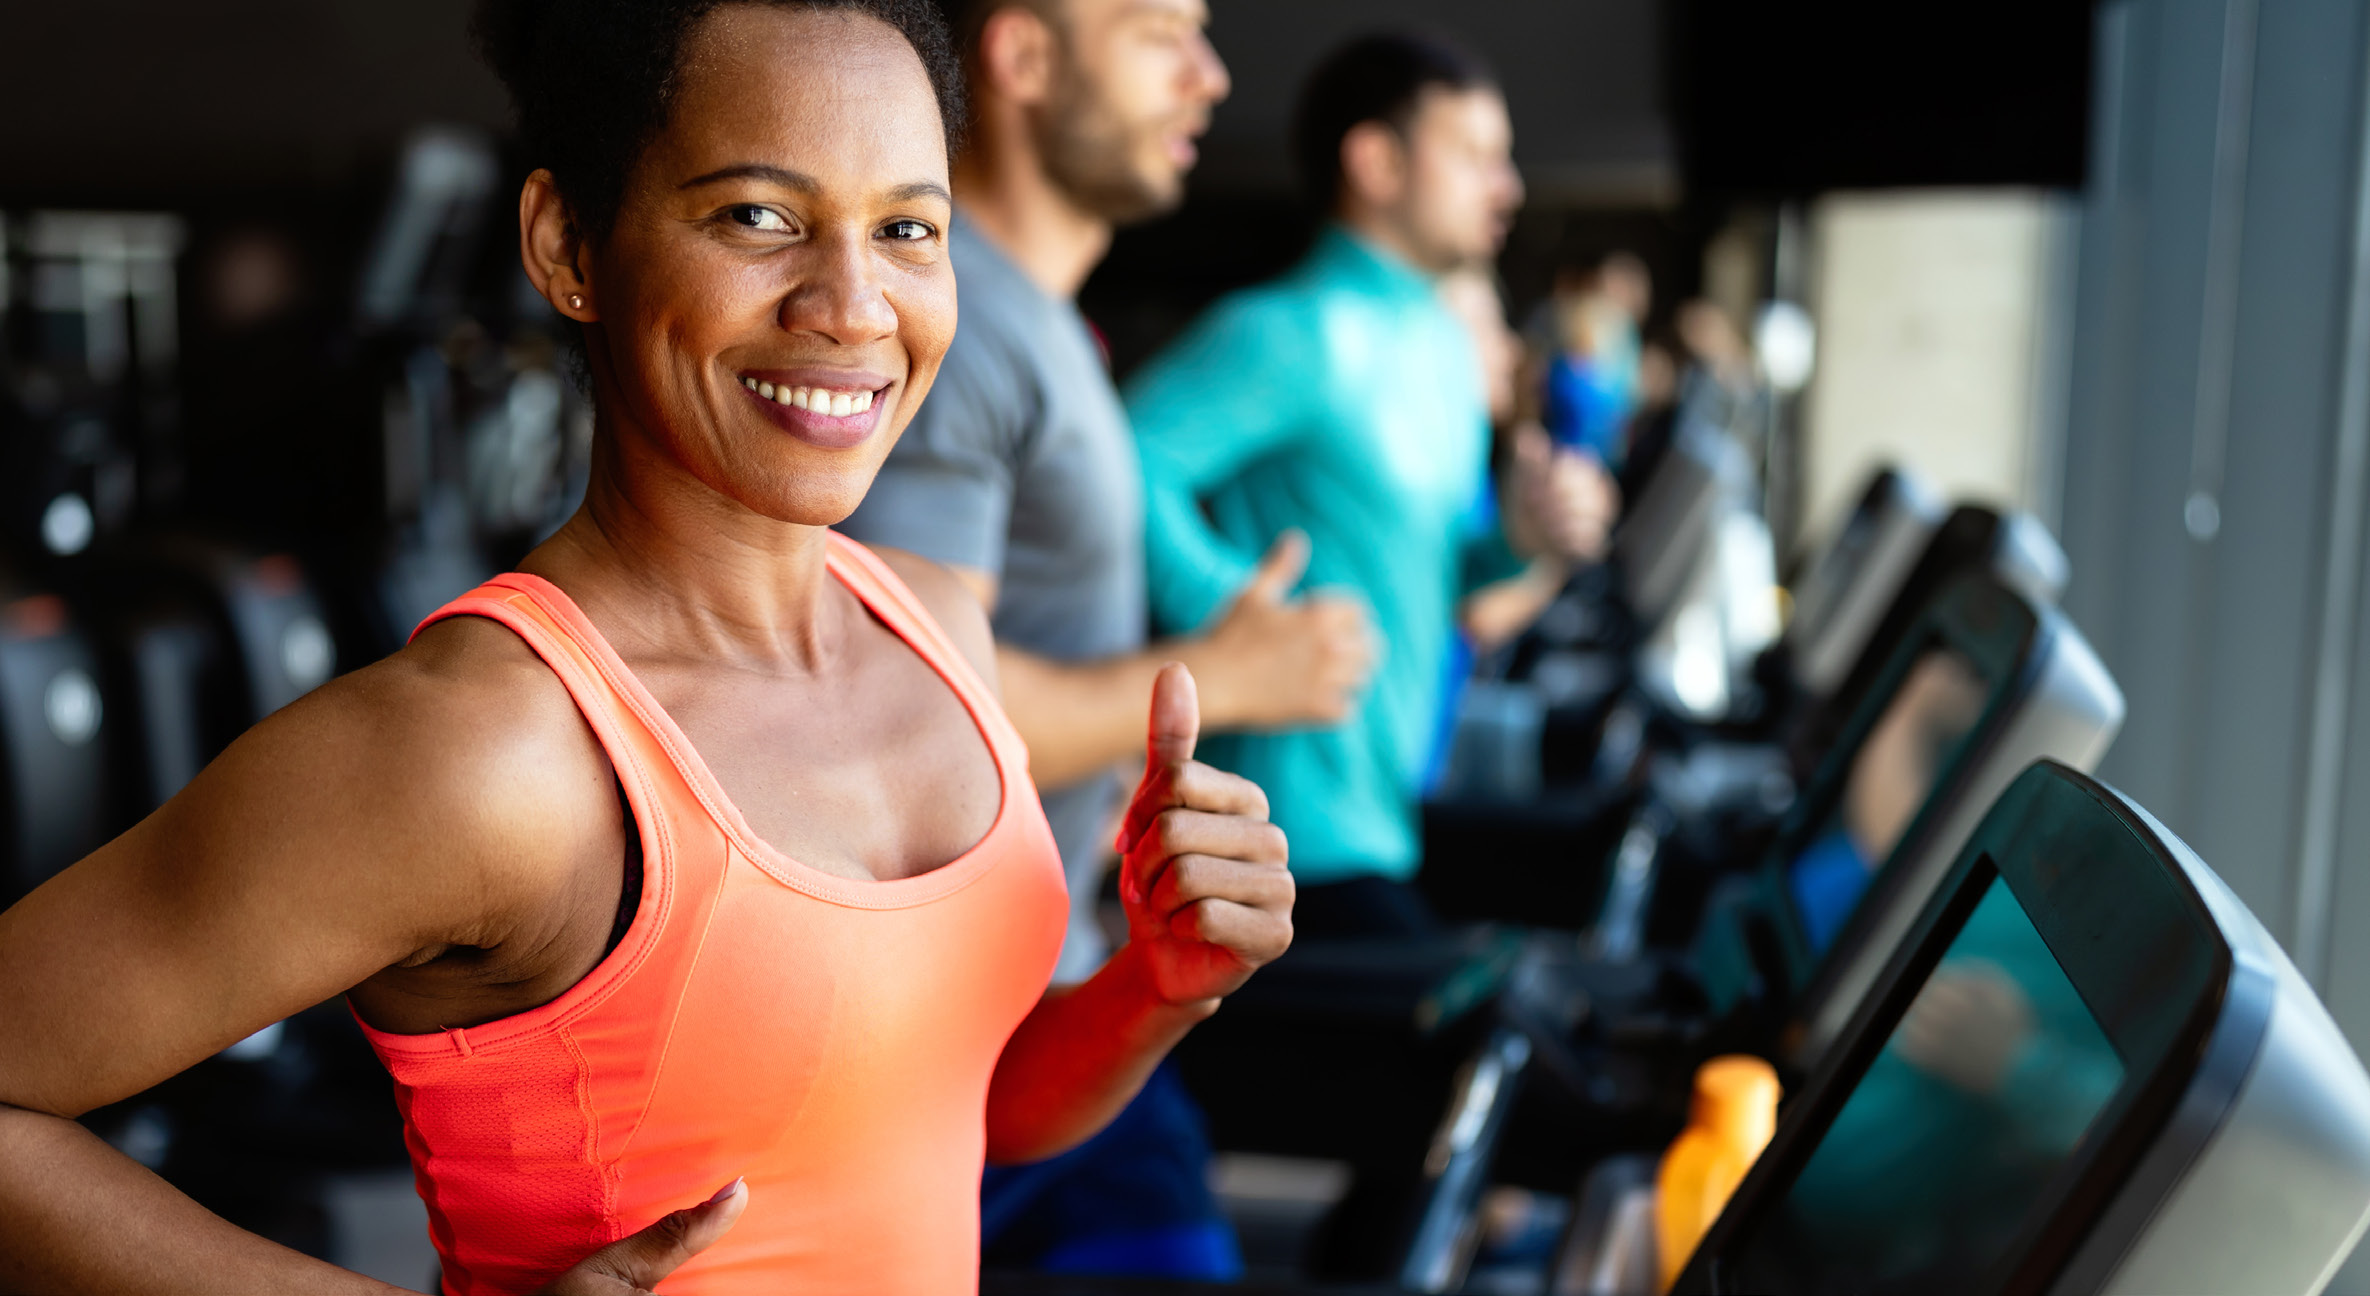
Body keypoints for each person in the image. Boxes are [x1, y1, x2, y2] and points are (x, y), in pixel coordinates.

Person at [0, 3, 1293, 1294]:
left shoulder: (937, 629)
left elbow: (962, 1108)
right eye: (757, 217)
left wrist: (1153, 987)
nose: (851, 307)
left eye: (906, 229)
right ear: (567, 245)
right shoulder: (483, 752)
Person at [835, 0, 1359, 1277]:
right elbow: (899, 704)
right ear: (1023, 57)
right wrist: (1233, 676)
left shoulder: (1041, 325)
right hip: (974, 1033)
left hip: (1058, 1005)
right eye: (1156, 33)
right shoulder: (959, 339)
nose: (1210, 74)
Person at [1126, 30, 1616, 939]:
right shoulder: (1290, 333)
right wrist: (1235, 617)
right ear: (1376, 162)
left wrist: (1522, 538)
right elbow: (1117, 462)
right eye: (1473, 156)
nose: (1505, 186)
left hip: (1387, 815)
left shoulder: (1437, 344)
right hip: (1278, 846)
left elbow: (1440, 574)